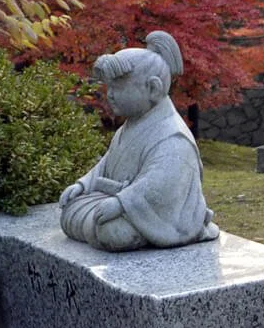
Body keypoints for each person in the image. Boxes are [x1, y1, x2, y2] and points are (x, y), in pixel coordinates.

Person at [59, 31, 219, 251]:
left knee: (114, 232)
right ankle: (97, 221)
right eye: (109, 87)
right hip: (121, 203)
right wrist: (83, 185)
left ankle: (106, 224)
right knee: (72, 210)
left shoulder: (173, 137)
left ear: (153, 89)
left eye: (118, 87)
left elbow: (162, 184)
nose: (111, 95)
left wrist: (120, 203)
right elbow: (105, 165)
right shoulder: (129, 126)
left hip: (164, 215)